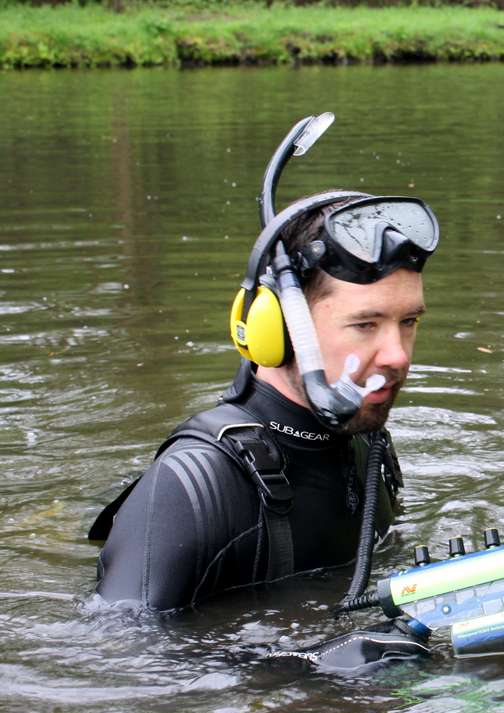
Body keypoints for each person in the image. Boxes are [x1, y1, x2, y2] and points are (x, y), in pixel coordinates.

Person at [91, 115, 438, 614]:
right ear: (274, 326)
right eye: (366, 325)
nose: (398, 354)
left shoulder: (367, 442)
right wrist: (306, 666)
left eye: (408, 321)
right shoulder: (190, 487)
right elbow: (119, 661)